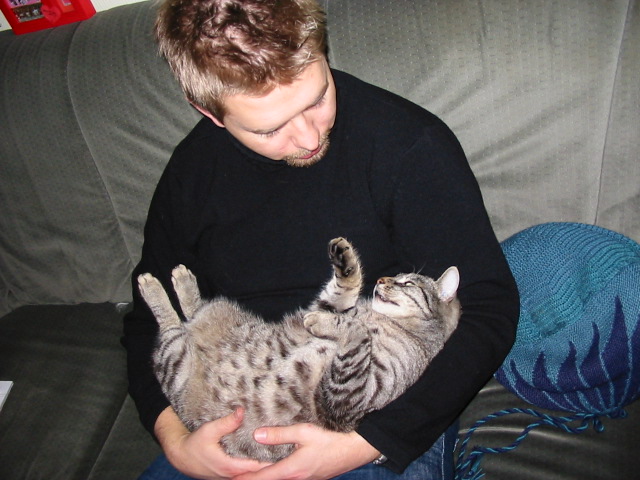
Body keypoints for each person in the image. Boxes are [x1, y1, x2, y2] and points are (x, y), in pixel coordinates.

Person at [122, 1, 520, 479]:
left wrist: (366, 444)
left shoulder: (409, 144)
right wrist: (177, 439)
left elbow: (488, 305)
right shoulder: (190, 176)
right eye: (271, 129)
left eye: (317, 99)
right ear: (210, 112)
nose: (309, 138)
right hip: (233, 405)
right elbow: (147, 319)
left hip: (376, 416)